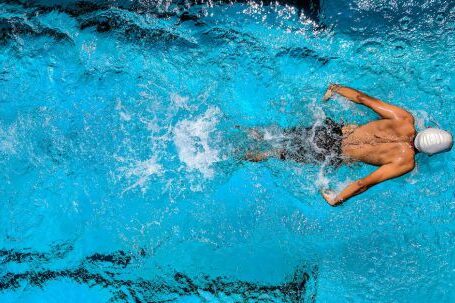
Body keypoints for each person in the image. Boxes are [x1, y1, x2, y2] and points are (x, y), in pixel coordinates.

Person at [245, 84, 453, 206]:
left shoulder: (404, 119)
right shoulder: (405, 162)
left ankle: (245, 131)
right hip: (333, 154)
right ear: (430, 153)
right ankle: (241, 155)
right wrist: (337, 199)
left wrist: (336, 89)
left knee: (276, 135)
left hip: (331, 131)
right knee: (276, 153)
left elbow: (363, 99)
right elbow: (364, 183)